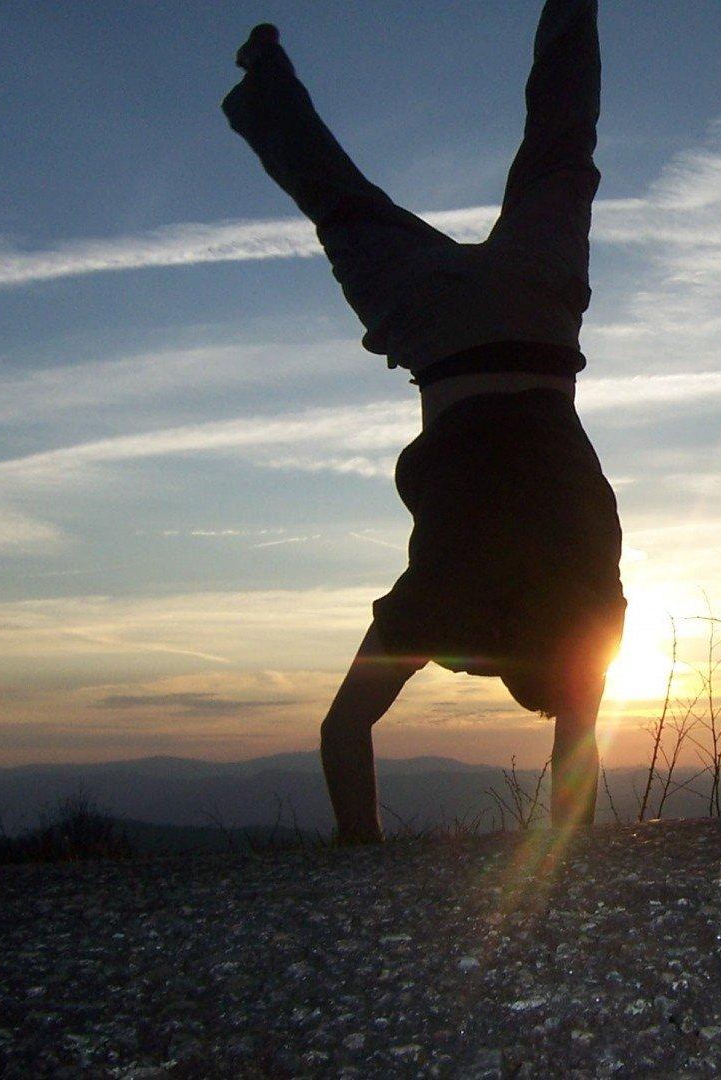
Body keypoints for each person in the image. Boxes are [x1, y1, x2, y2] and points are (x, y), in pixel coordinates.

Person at [222, 1, 624, 843]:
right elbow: (342, 732)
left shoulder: (593, 612)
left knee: (561, 142)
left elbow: (576, 747)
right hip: (439, 335)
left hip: (539, 319)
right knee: (342, 202)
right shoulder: (437, 607)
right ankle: (264, 79)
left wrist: (571, 850)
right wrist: (361, 857)